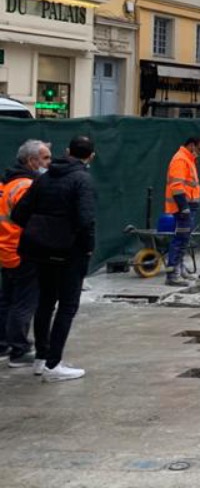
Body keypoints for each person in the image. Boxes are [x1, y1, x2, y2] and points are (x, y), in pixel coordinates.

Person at [10, 135, 97, 382]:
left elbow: (19, 213)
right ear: (91, 156)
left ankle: (41, 358)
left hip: (39, 250)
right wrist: (87, 248)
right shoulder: (83, 180)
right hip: (69, 253)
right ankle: (53, 364)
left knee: (46, 302)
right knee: (67, 306)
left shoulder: (44, 178)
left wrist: (41, 230)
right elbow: (86, 220)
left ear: (67, 151)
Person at [0, 139, 51, 369]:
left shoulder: (7, 184)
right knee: (24, 303)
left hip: (6, 250)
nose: (49, 163)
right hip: (22, 251)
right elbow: (32, 222)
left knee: (7, 300)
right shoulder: (26, 187)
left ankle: (3, 344)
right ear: (32, 161)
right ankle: (19, 350)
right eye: (46, 158)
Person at [164, 137, 200, 287]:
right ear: (191, 145)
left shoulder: (188, 159)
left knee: (184, 239)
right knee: (180, 239)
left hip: (188, 206)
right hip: (183, 207)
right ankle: (173, 274)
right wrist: (183, 206)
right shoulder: (181, 160)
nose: (199, 153)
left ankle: (179, 269)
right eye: (199, 149)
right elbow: (176, 185)